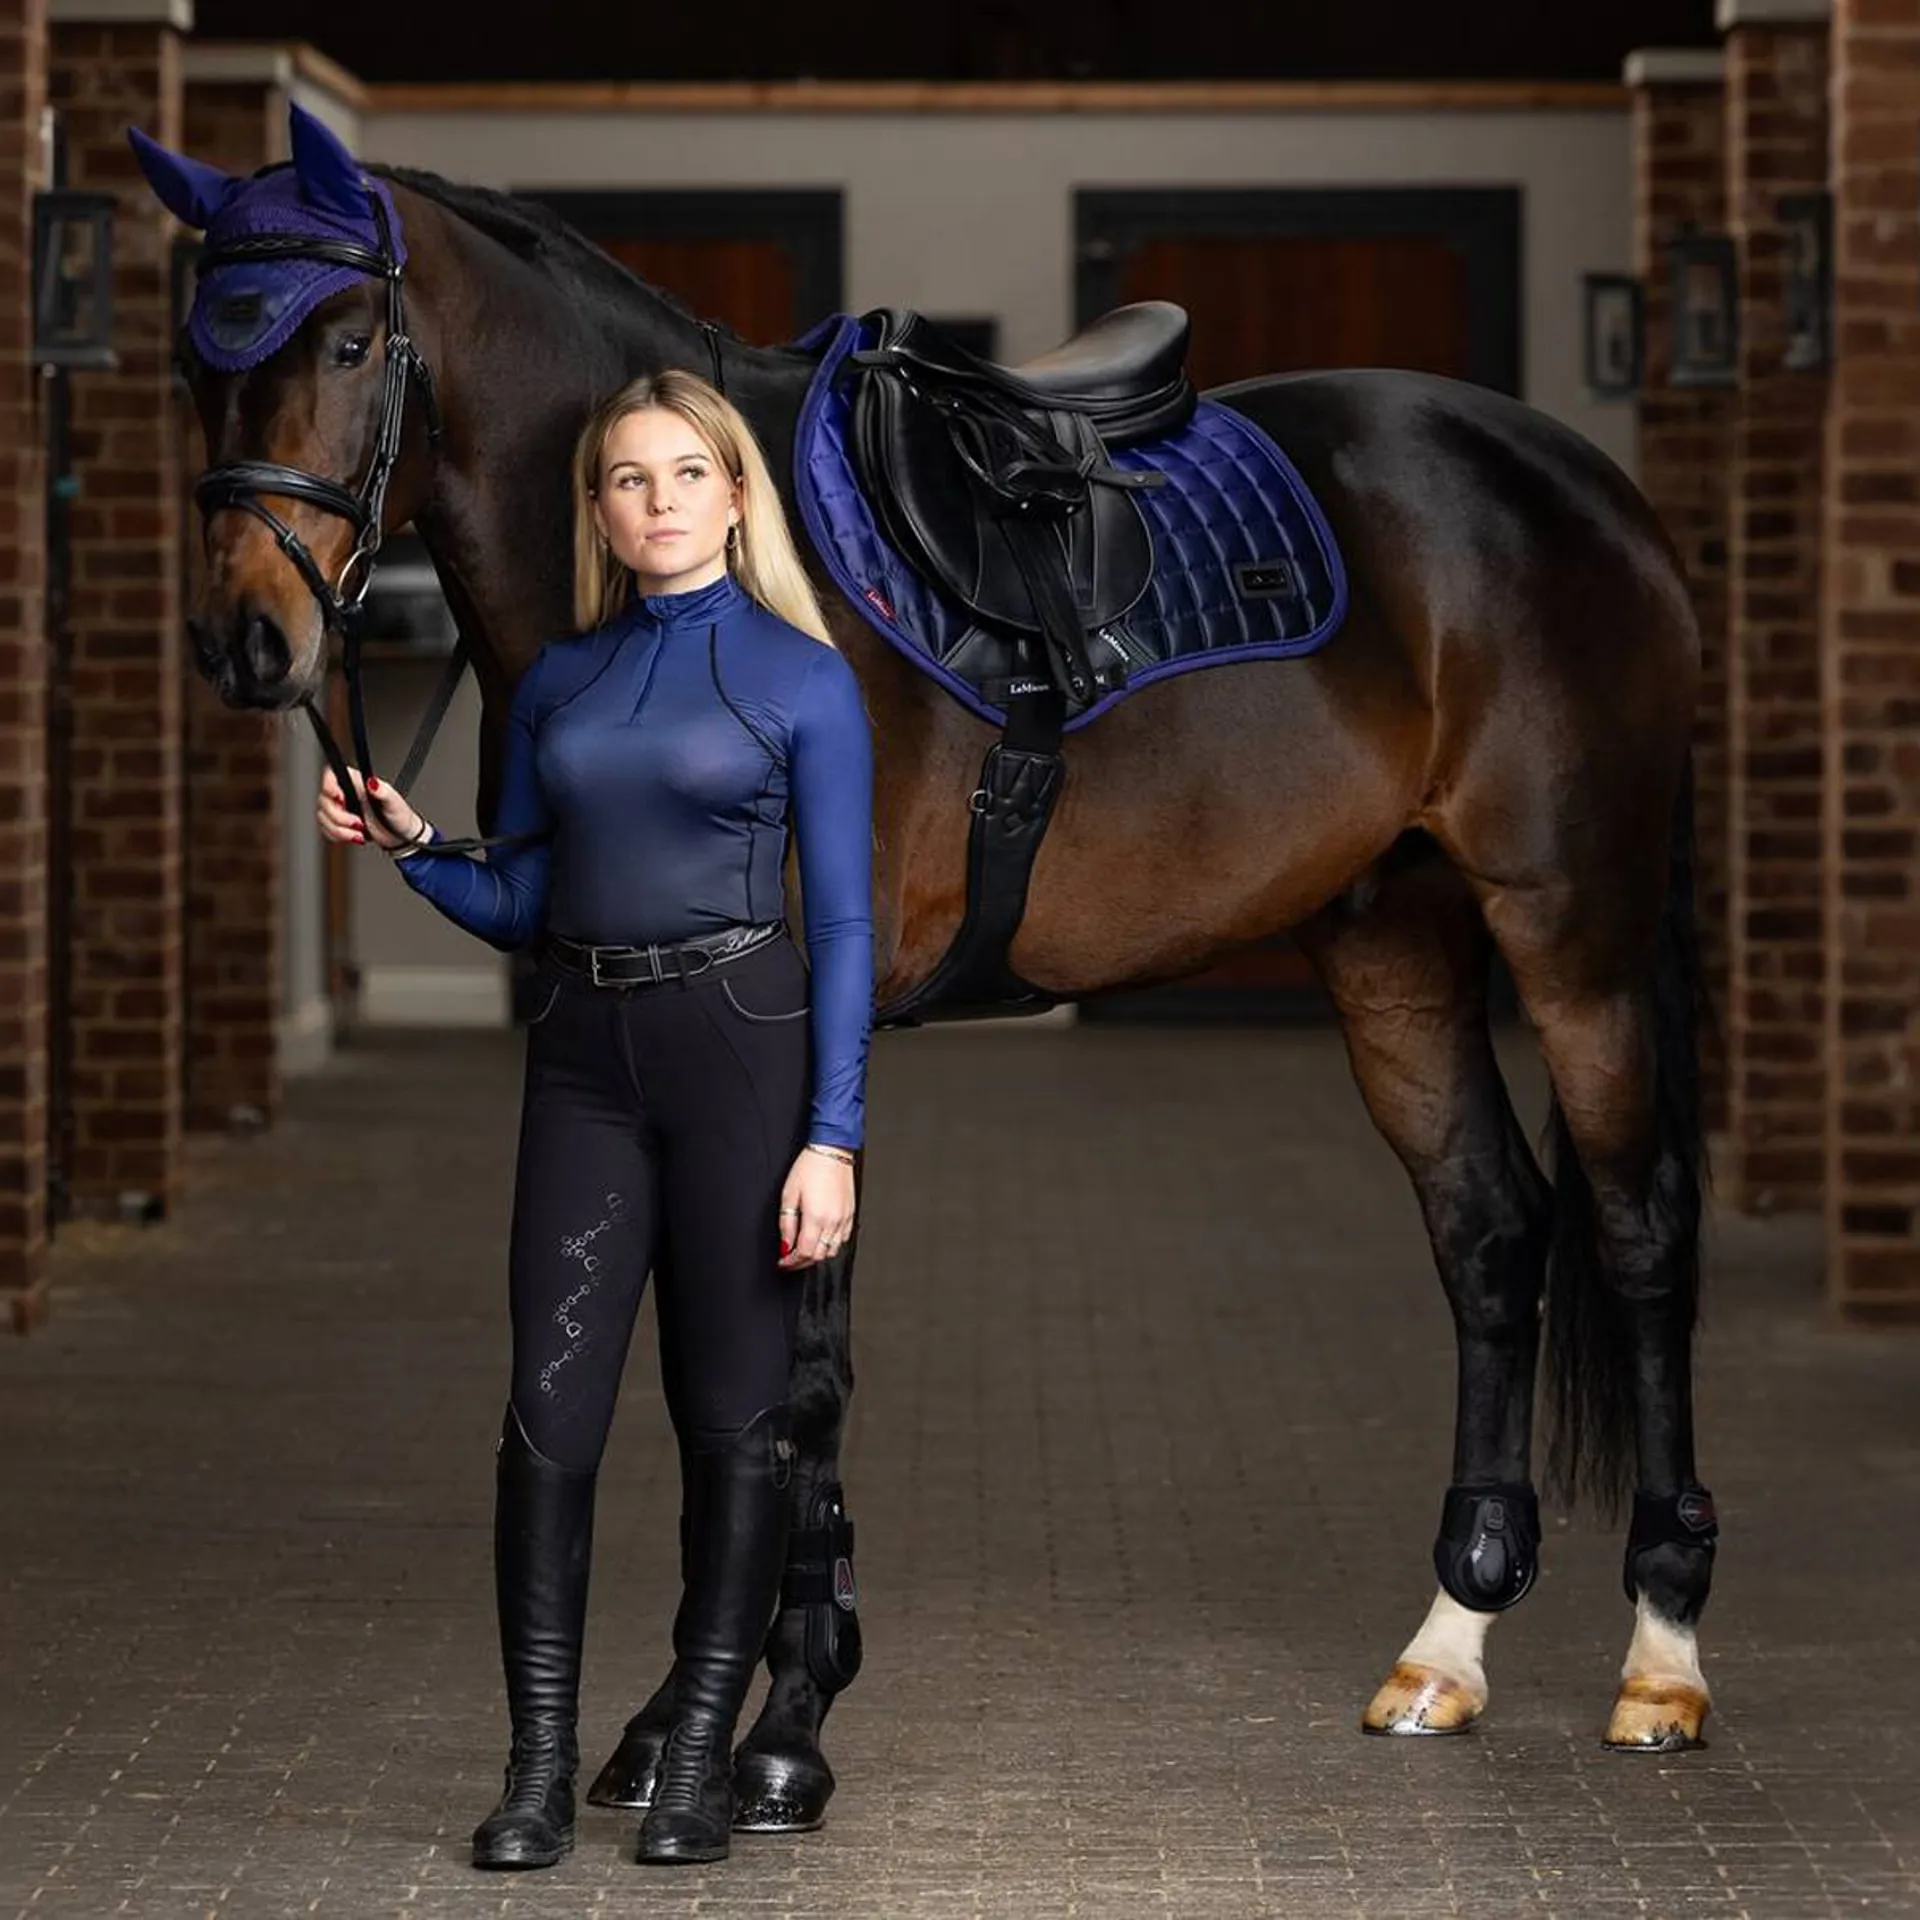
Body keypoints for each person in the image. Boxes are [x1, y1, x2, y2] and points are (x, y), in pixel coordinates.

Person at [315, 369, 874, 1871]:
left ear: (736, 496)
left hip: (743, 1057)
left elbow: (844, 927)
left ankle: (695, 1756)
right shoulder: (557, 682)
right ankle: (540, 1770)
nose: (658, 501)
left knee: (731, 1418)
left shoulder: (804, 680)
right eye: (629, 478)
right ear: (600, 510)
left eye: (687, 473)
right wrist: (417, 848)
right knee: (549, 1419)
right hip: (582, 1061)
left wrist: (833, 1138)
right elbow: (524, 897)